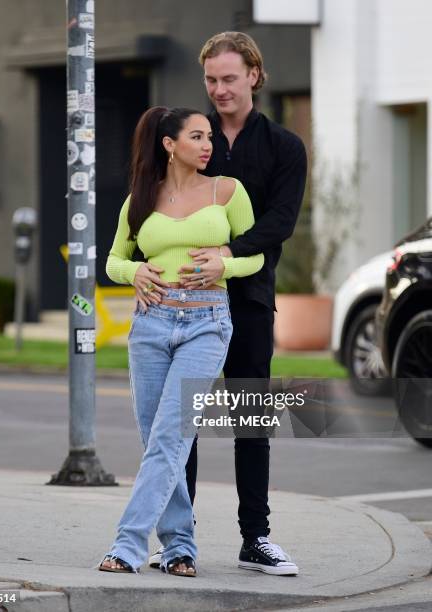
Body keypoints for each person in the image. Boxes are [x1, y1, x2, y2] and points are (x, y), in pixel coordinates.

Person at [147, 32, 307, 576]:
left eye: (229, 78)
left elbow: (280, 222)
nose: (219, 89)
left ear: (254, 76)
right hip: (183, 304)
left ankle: (255, 538)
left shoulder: (285, 147)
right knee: (180, 421)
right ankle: (178, 541)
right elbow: (154, 202)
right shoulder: (188, 136)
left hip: (251, 298)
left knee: (249, 416)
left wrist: (228, 255)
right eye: (211, 80)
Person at [99, 106, 264, 576]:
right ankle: (179, 548)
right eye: (196, 136)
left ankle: (127, 545)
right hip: (150, 322)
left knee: (171, 435)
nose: (208, 144)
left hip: (207, 321)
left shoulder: (228, 191)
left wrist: (224, 266)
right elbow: (113, 261)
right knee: (158, 441)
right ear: (170, 145)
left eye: (209, 135)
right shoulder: (139, 200)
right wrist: (134, 271)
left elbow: (256, 257)